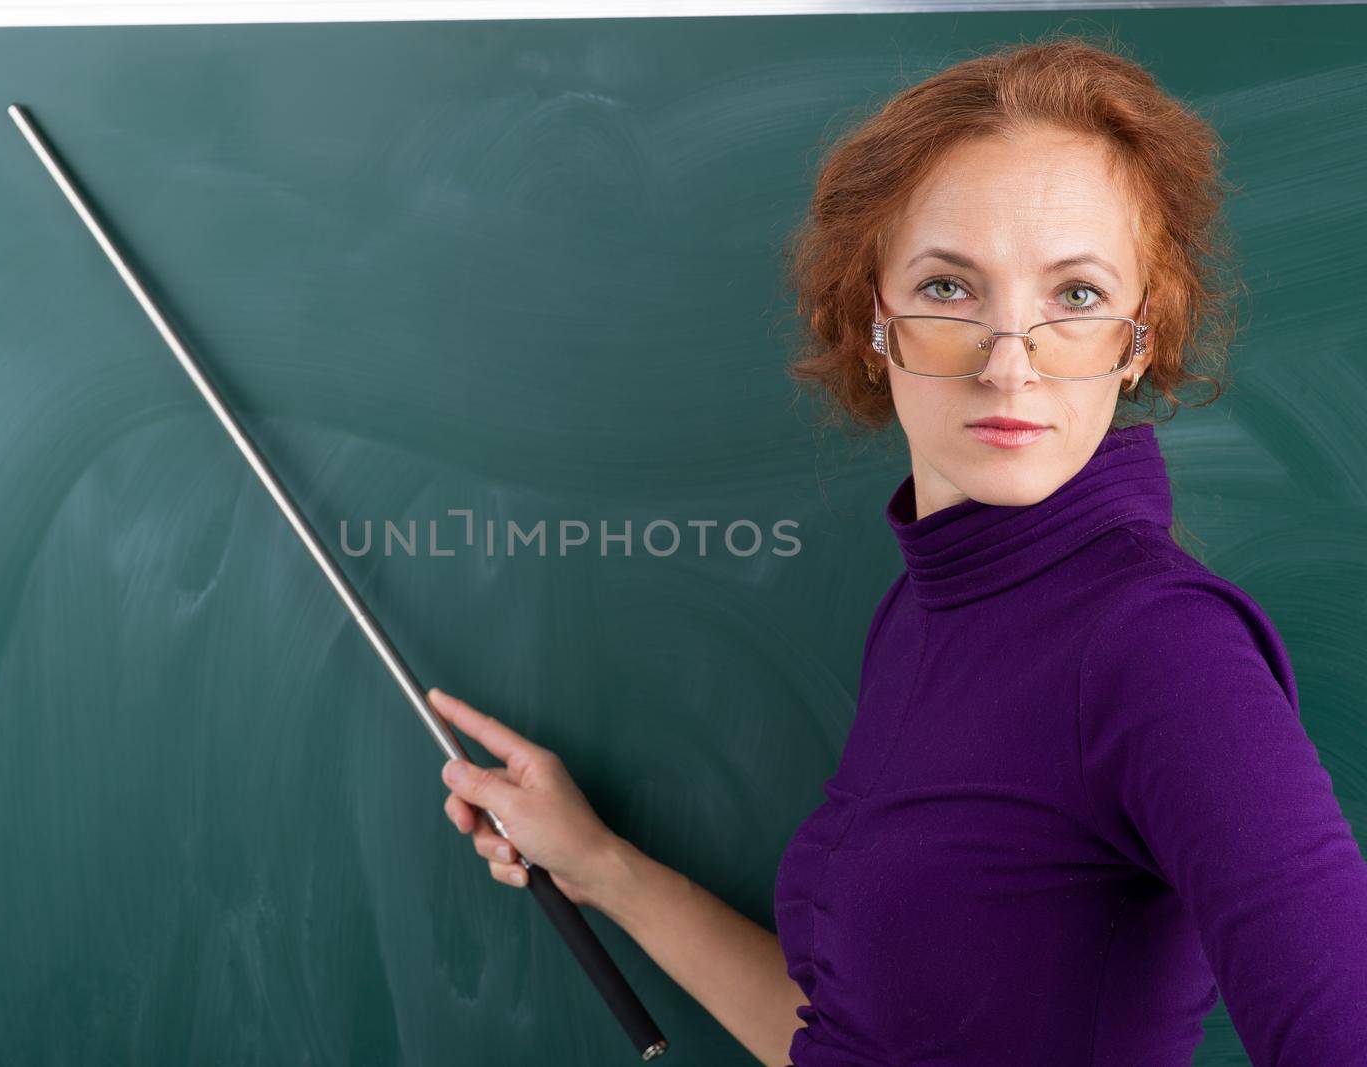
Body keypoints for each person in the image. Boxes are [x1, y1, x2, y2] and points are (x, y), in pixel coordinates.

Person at [431, 33, 1367, 1066]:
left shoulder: (1163, 648)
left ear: (1140, 334)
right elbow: (850, 1039)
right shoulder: (930, 603)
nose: (1010, 365)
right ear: (870, 315)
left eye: (1077, 296)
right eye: (950, 289)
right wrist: (605, 866)